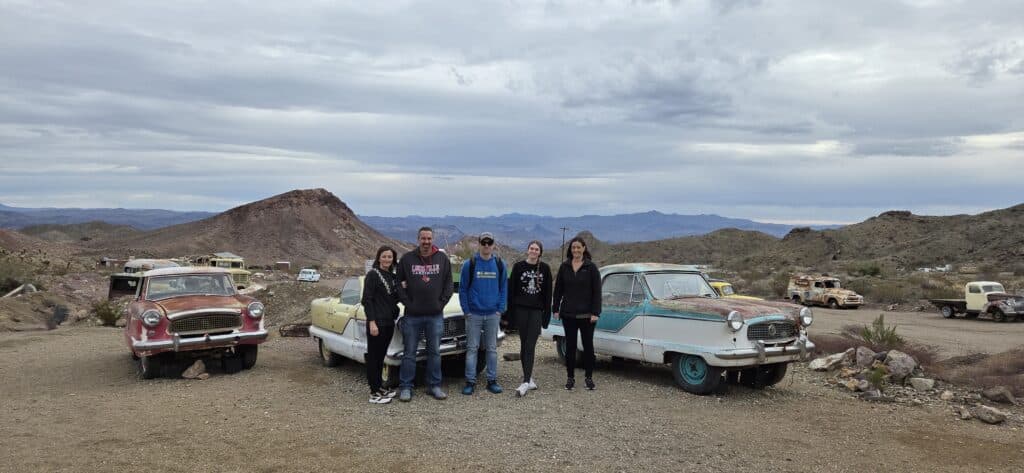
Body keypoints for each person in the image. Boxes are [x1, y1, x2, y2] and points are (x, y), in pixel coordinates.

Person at [395, 227, 454, 402]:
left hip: (435, 315)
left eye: (429, 238)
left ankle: (434, 385)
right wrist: (407, 303)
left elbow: (449, 283)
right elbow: (398, 283)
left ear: (432, 239)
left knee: (434, 352)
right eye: (423, 238)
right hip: (412, 315)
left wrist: (441, 303)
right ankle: (406, 387)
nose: (426, 242)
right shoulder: (407, 259)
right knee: (409, 352)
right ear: (418, 239)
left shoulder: (442, 259)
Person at [458, 232, 507, 395]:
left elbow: (503, 288)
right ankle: (470, 381)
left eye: (489, 242)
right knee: (472, 348)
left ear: (493, 244)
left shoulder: (500, 264)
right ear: (479, 244)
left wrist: (500, 309)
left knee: (492, 349)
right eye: (483, 242)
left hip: (493, 314)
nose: (486, 245)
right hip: (474, 314)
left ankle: (492, 381)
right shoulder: (469, 264)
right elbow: (463, 289)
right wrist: (467, 311)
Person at [552, 236, 601, 391]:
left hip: (587, 316)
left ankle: (589, 378)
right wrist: (555, 308)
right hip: (568, 315)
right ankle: (570, 377)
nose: (576, 250)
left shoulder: (591, 267)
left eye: (579, 247)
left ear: (584, 248)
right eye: (573, 248)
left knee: (588, 347)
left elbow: (597, 292)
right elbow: (558, 289)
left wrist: (595, 312)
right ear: (570, 249)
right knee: (571, 347)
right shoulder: (564, 266)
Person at [507, 240, 552, 397]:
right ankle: (528, 378)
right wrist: (510, 315)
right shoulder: (519, 267)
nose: (533, 251)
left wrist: (547, 316)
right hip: (521, 310)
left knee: (530, 344)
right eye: (531, 248)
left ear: (540, 252)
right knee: (523, 343)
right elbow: (511, 291)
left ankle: (525, 381)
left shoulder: (545, 269)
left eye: (536, 249)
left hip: (536, 312)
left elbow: (547, 294)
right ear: (527, 250)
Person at [361, 245, 400, 404]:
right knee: (374, 357)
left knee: (381, 356)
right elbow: (367, 300)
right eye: (384, 256)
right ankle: (374, 392)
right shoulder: (372, 275)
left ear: (393, 259)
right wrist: (372, 322)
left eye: (390, 257)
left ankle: (380, 387)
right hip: (376, 323)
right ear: (378, 258)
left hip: (388, 322)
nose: (387, 259)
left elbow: (391, 299)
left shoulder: (391, 276)